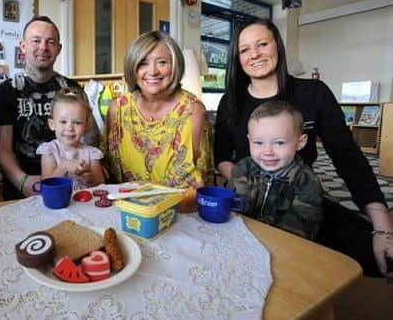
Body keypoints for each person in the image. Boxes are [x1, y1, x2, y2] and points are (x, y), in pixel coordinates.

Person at [214, 17, 393, 277]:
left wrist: (382, 224)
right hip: (249, 202)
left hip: (302, 198)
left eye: (262, 44)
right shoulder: (230, 101)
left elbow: (348, 158)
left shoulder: (313, 93)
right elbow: (221, 157)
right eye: (244, 49)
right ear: (237, 58)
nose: (255, 54)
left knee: (379, 255)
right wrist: (252, 182)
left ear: (277, 46)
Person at [0, 16, 86, 200]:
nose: (43, 47)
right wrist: (23, 182)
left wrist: (89, 165)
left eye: (50, 42)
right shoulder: (4, 93)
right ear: (23, 46)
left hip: (71, 176)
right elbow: (1, 150)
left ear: (59, 49)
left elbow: (89, 134)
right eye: (36, 41)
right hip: (24, 178)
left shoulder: (73, 89)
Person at [104, 30, 213, 189]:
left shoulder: (193, 111)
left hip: (179, 209)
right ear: (133, 67)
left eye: (162, 62)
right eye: (143, 63)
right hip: (126, 208)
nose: (153, 71)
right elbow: (108, 171)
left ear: (175, 66)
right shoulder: (118, 109)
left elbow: (200, 177)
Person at [228, 101, 324, 240]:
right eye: (258, 143)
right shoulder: (243, 168)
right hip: (241, 239)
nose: (267, 152)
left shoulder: (307, 182)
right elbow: (233, 206)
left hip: (283, 247)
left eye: (279, 142)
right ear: (249, 140)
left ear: (300, 142)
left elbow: (299, 233)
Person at [37, 87, 105, 190]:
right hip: (60, 204)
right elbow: (47, 185)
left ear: (86, 126)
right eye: (63, 122)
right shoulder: (49, 151)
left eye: (77, 123)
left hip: (85, 204)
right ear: (52, 124)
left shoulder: (91, 153)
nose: (69, 128)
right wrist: (64, 167)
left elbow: (101, 183)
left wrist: (90, 178)